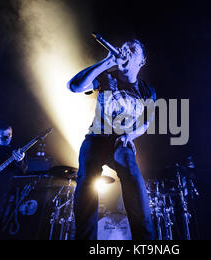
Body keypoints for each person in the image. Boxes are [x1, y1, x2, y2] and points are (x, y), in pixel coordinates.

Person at [67, 39, 156, 240]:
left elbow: (144, 124)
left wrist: (129, 136)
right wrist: (106, 63)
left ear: (141, 61)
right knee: (87, 174)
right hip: (97, 138)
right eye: (124, 48)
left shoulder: (146, 91)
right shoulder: (107, 77)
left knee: (131, 171)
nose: (126, 51)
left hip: (120, 142)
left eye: (132, 50)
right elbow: (74, 86)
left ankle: (146, 240)